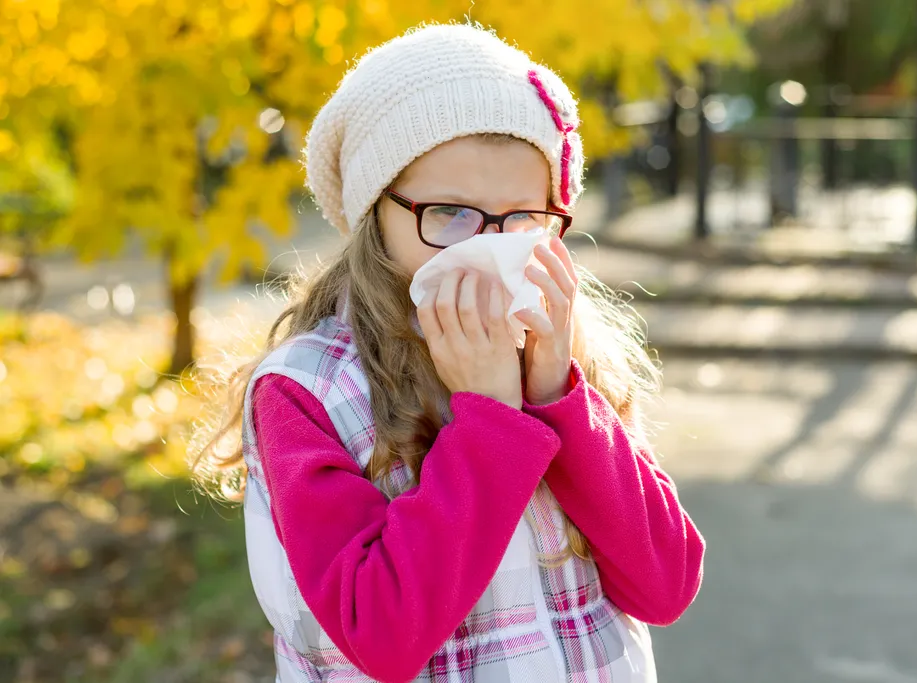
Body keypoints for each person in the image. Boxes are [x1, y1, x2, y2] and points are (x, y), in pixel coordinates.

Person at [191, 22, 705, 683]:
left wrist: (557, 397)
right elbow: (380, 635)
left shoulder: (562, 353)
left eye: (521, 217)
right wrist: (488, 418)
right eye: (451, 213)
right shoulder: (305, 391)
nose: (486, 245)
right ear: (377, 212)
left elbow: (665, 584)